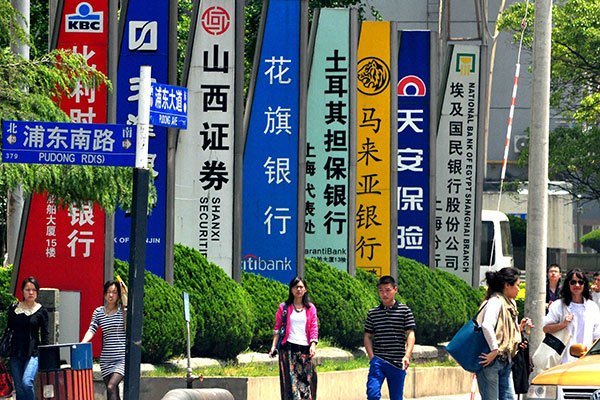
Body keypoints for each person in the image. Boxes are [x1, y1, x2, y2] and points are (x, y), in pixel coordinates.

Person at [476, 267, 533, 400]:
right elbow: (486, 325)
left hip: (506, 361)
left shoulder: (510, 303)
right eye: (517, 285)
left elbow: (503, 333)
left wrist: (520, 328)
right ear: (507, 285)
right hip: (491, 362)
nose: (519, 289)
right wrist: (494, 350)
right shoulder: (495, 302)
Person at [364, 275, 416, 400]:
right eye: (381, 291)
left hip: (398, 362)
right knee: (372, 394)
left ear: (395, 290)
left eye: (387, 290)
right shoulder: (373, 313)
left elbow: (410, 334)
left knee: (396, 397)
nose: (384, 294)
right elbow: (367, 336)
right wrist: (372, 357)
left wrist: (407, 355)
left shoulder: (405, 311)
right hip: (378, 361)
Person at [268, 276, 318, 400]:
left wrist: (312, 345)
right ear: (291, 290)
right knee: (290, 385)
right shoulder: (284, 307)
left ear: (305, 290)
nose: (299, 289)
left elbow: (313, 328)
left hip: (305, 351)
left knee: (306, 384)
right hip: (288, 350)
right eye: (296, 287)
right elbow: (277, 328)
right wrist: (274, 346)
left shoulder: (310, 308)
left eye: (301, 287)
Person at [82, 279, 128, 400]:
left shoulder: (122, 311)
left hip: (121, 358)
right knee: (112, 390)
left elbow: (129, 326)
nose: (111, 295)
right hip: (106, 359)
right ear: (104, 294)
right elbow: (92, 328)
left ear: (118, 295)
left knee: (111, 387)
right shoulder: (98, 312)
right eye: (108, 292)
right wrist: (83, 342)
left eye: (114, 292)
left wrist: (125, 299)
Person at [543, 268, 600, 364]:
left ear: (584, 284)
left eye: (580, 282)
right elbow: (546, 328)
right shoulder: (558, 305)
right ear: (567, 284)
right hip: (563, 360)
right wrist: (563, 324)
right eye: (573, 282)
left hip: (586, 361)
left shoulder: (592, 306)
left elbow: (597, 335)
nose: (577, 285)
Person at [7, 276, 49, 400]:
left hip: (33, 353)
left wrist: (45, 355)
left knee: (26, 383)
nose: (31, 293)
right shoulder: (14, 309)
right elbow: (8, 330)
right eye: (27, 289)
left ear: (37, 292)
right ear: (22, 291)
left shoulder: (41, 311)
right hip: (15, 352)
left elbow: (45, 334)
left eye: (34, 290)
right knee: (19, 387)